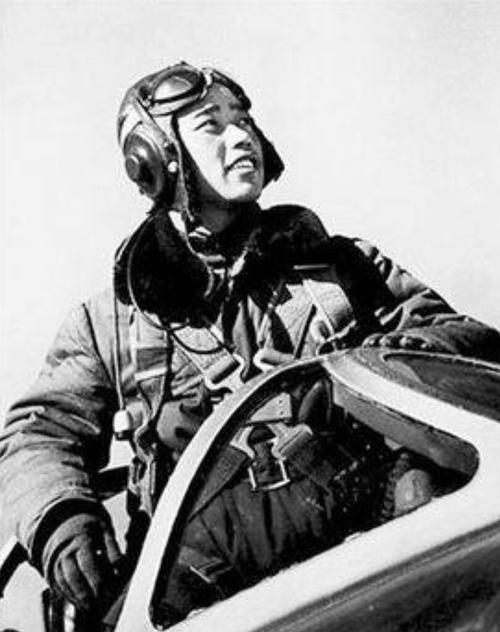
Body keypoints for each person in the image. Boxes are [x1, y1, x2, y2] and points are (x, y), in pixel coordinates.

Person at [1, 61, 500, 629]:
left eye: (242, 120)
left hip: (367, 565)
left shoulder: (344, 269)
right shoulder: (110, 324)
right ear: (155, 159)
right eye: (210, 125)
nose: (241, 136)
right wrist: (63, 521)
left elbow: (459, 342)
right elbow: (38, 432)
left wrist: (355, 374)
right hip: (218, 603)